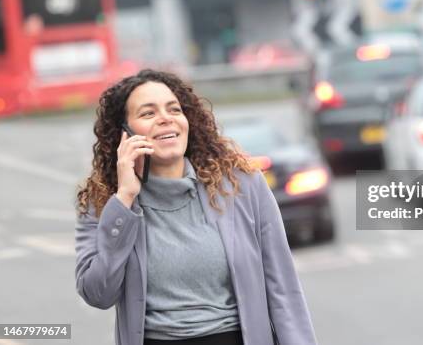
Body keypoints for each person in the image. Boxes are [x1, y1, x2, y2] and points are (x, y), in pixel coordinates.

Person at [75, 69, 318, 345]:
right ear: (124, 135)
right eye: (148, 113)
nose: (165, 118)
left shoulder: (243, 185)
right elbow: (98, 293)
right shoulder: (106, 203)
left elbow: (283, 290)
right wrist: (125, 199)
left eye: (174, 109)